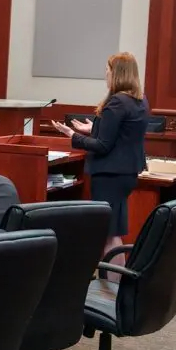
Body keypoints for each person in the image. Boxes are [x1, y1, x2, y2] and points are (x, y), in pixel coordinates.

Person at [50, 52, 148, 258]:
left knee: (107, 233)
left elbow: (103, 146)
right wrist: (94, 127)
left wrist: (73, 135)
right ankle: (114, 283)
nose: (105, 75)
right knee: (113, 232)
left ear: (117, 74)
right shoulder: (138, 100)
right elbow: (123, 134)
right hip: (126, 173)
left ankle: (110, 285)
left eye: (107, 71)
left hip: (109, 174)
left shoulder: (117, 102)